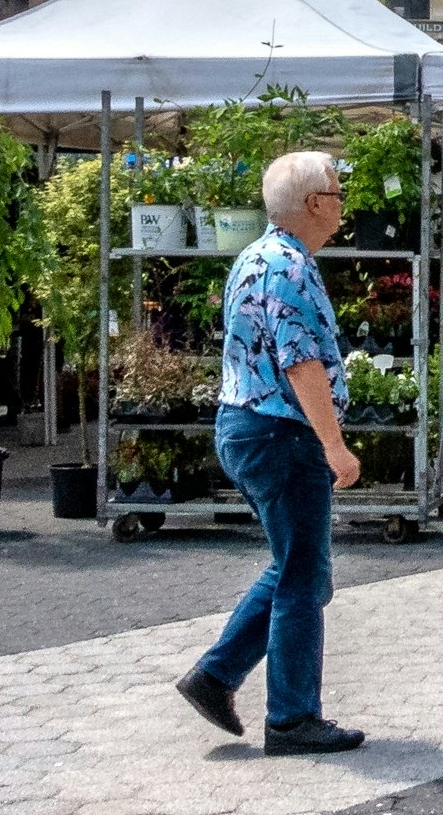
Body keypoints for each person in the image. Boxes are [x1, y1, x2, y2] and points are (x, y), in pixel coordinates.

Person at [177, 151, 366, 757]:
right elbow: (300, 361)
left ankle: (214, 677)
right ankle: (290, 718)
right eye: (336, 193)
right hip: (279, 435)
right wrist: (335, 445)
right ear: (314, 203)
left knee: (297, 569)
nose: (342, 204)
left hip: (254, 429)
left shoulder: (258, 257)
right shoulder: (286, 266)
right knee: (303, 577)